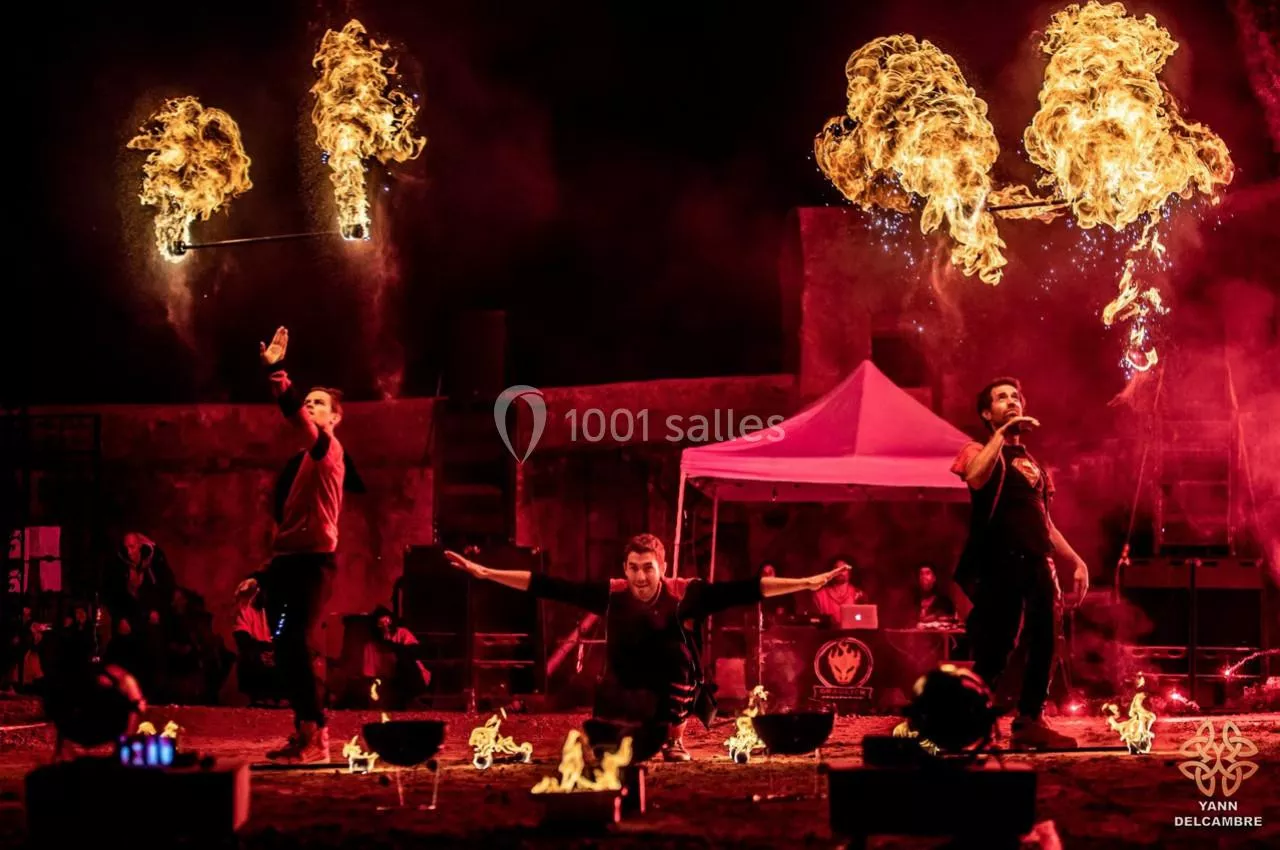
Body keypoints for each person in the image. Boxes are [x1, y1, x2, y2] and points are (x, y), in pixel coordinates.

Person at [445, 534, 846, 761]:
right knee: (609, 742)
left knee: (679, 657)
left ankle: (674, 739)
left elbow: (745, 590)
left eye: (648, 568)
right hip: (623, 687)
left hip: (671, 690)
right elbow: (548, 586)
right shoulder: (612, 594)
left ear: (662, 568)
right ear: (625, 569)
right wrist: (486, 572)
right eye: (634, 568)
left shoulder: (683, 593)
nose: (640, 577)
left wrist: (806, 583)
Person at [951, 377, 1089, 749]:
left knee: (1046, 639)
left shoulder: (1035, 465)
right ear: (987, 413)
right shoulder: (976, 450)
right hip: (999, 562)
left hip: (1038, 561)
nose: (1011, 401)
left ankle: (1030, 720)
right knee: (996, 647)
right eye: (1001, 398)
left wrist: (1076, 560)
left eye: (1015, 397)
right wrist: (1002, 434)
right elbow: (976, 477)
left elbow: (1046, 522)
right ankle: (962, 720)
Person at [259, 325, 364, 763]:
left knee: (296, 644)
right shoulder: (300, 461)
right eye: (308, 400)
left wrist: (279, 374)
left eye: (319, 403)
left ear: (335, 418)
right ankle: (304, 730)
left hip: (313, 565)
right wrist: (261, 573)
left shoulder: (329, 450)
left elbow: (296, 419)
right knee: (283, 648)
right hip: (286, 563)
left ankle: (316, 736)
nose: (311, 406)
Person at [362, 606, 431, 708]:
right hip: (389, 683)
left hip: (412, 679)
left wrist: (394, 646)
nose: (385, 626)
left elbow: (414, 652)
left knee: (404, 658)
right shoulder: (370, 646)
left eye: (387, 621)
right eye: (381, 624)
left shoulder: (402, 633)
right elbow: (370, 675)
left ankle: (411, 699)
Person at [232, 578, 281, 705]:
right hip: (251, 654)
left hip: (262, 650)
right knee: (253, 656)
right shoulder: (244, 610)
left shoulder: (262, 612)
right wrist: (263, 647)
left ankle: (274, 696)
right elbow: (242, 638)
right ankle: (258, 696)